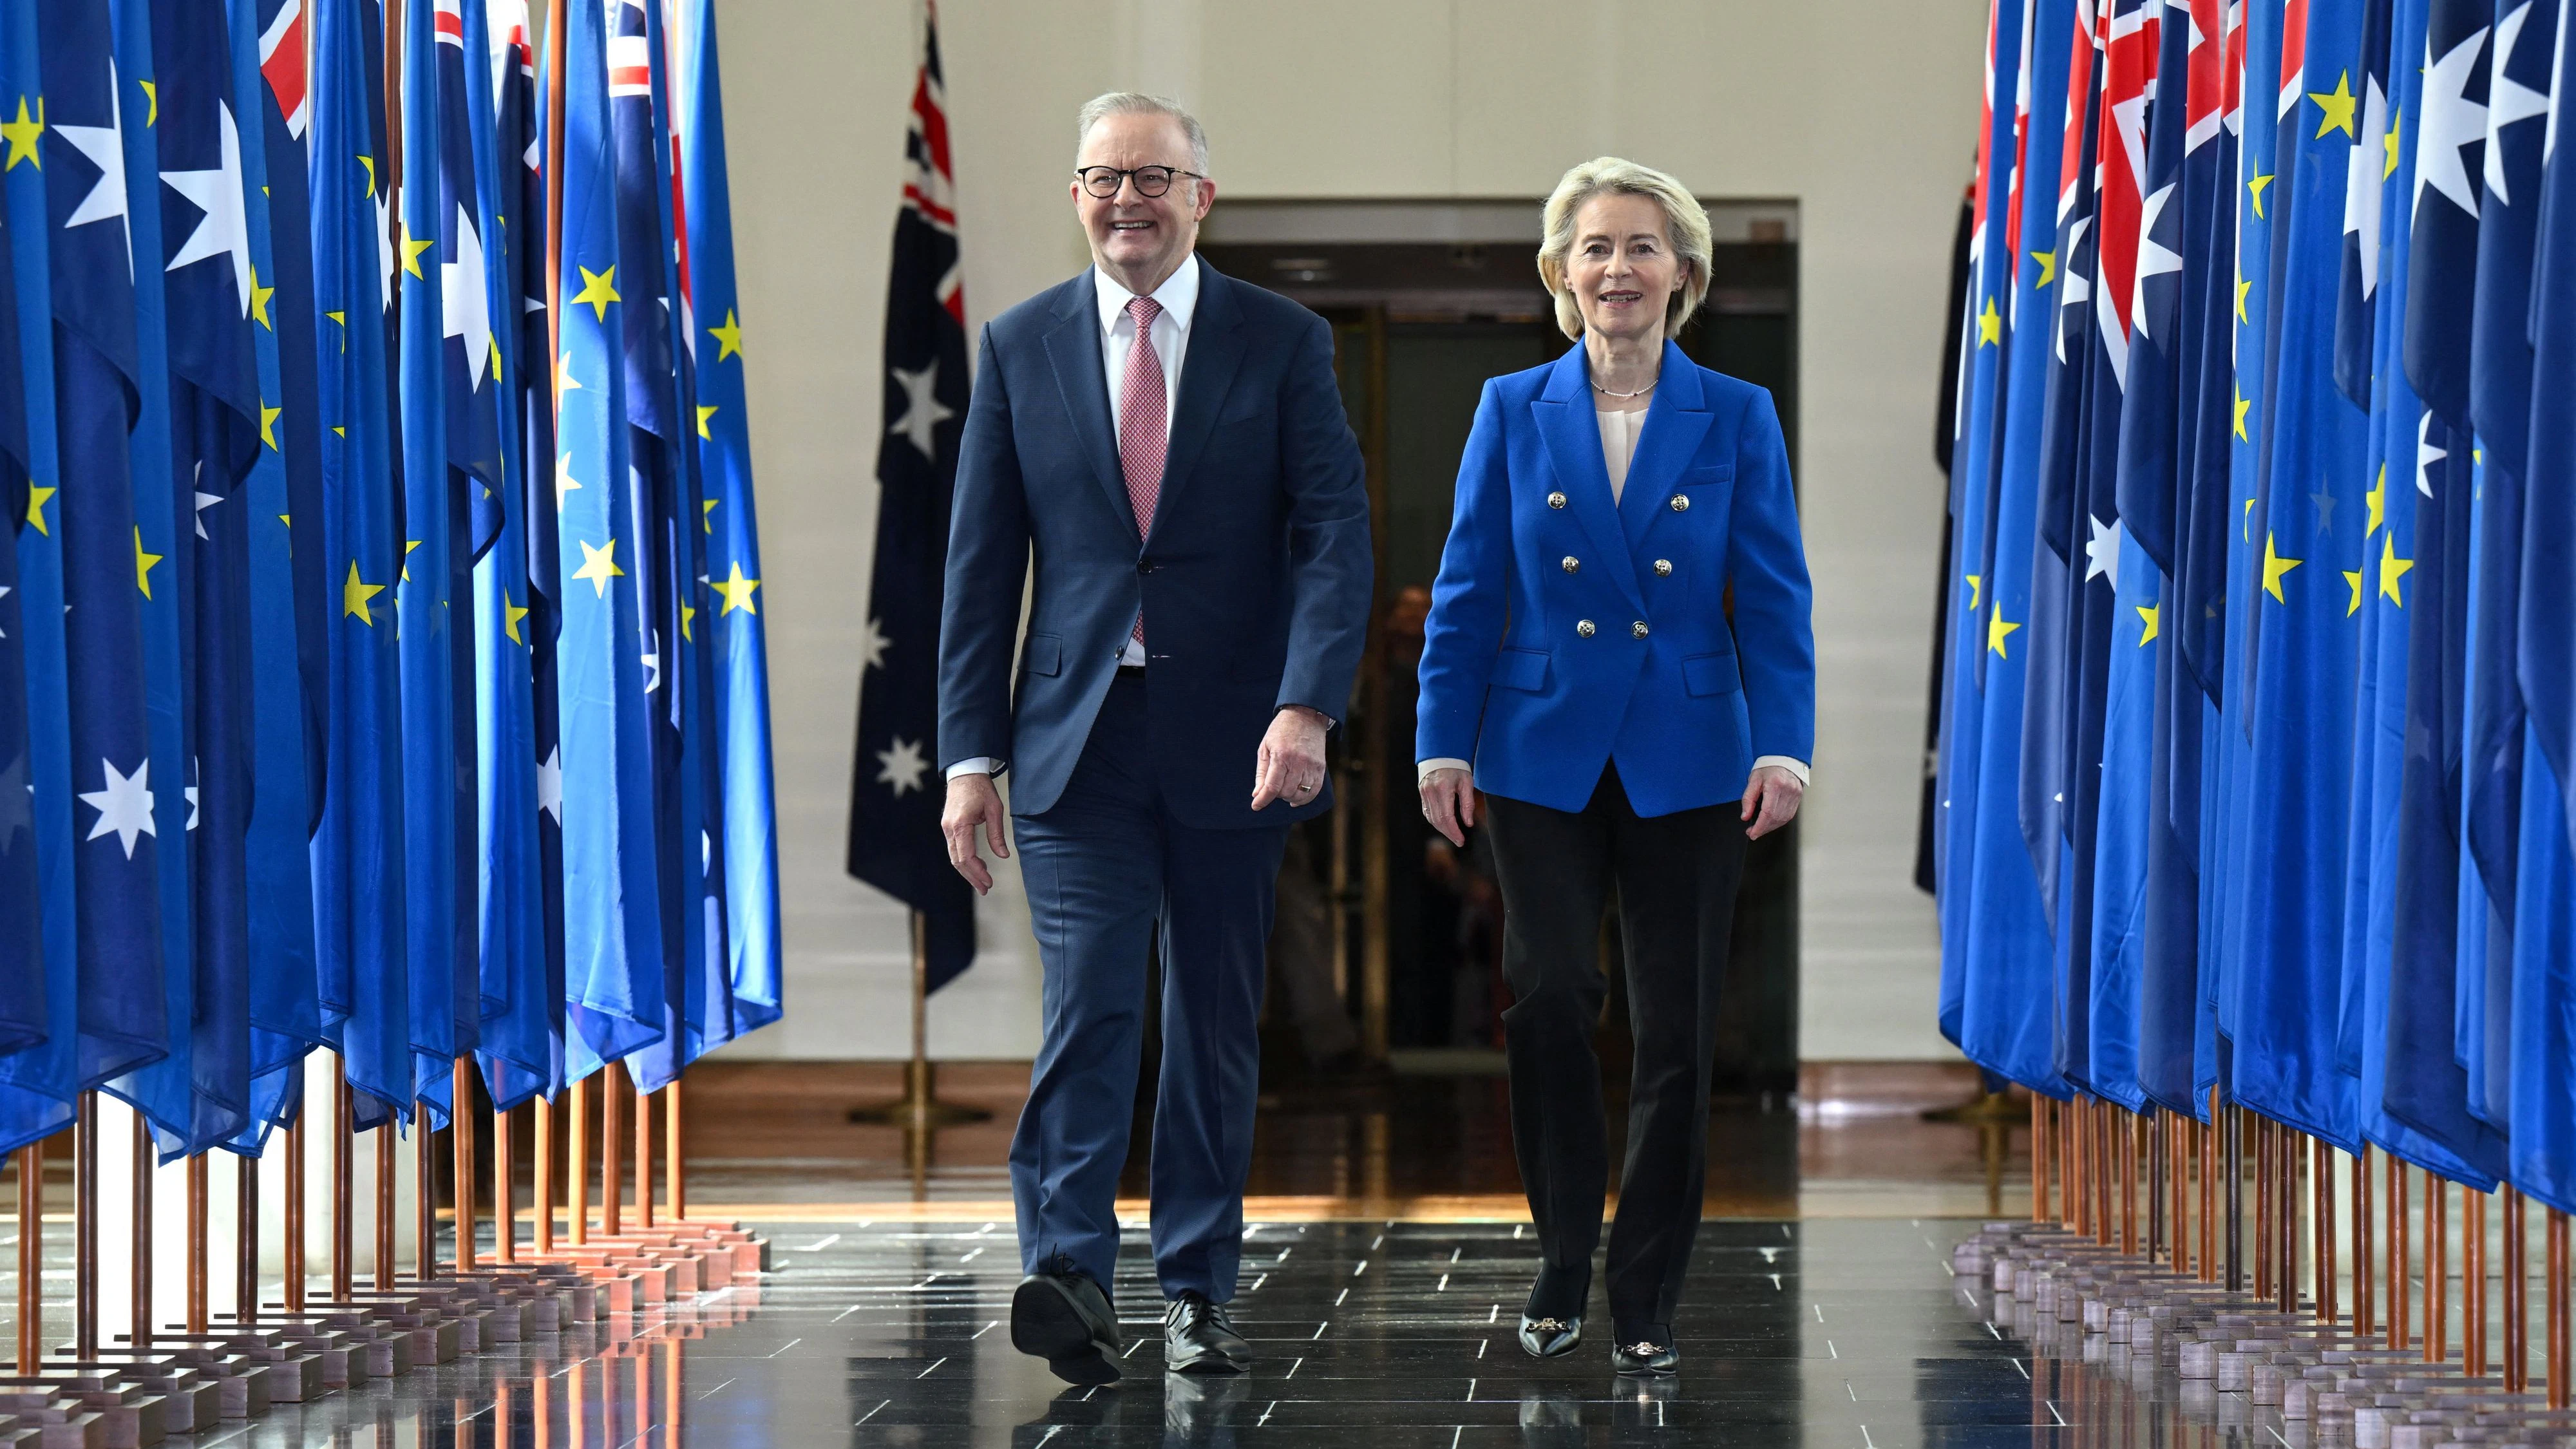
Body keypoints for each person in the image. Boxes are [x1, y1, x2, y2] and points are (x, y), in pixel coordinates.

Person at [936, 91, 1372, 1385]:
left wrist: (1306, 704)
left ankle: (1194, 1288)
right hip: (1075, 744)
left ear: (1201, 196)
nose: (1126, 198)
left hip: (1240, 742)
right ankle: (1068, 1273)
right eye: (1102, 176)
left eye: (1153, 177)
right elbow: (977, 566)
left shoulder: (1280, 340)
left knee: (1212, 1024)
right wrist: (969, 756)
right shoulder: (1018, 347)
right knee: (1087, 1010)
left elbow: (1331, 534)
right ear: (1074, 196)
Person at [1414, 156, 1815, 1377]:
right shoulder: (1508, 405)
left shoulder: (1736, 412)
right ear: (1560, 271)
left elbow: (1776, 592)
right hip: (1539, 752)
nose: (1617, 269)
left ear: (1683, 274)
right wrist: (1441, 731)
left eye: (1643, 247)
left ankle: (1646, 1288)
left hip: (1692, 754)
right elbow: (1471, 584)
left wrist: (1784, 738)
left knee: (1681, 1033)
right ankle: (1559, 1256)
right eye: (1595, 247)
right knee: (1544, 1001)